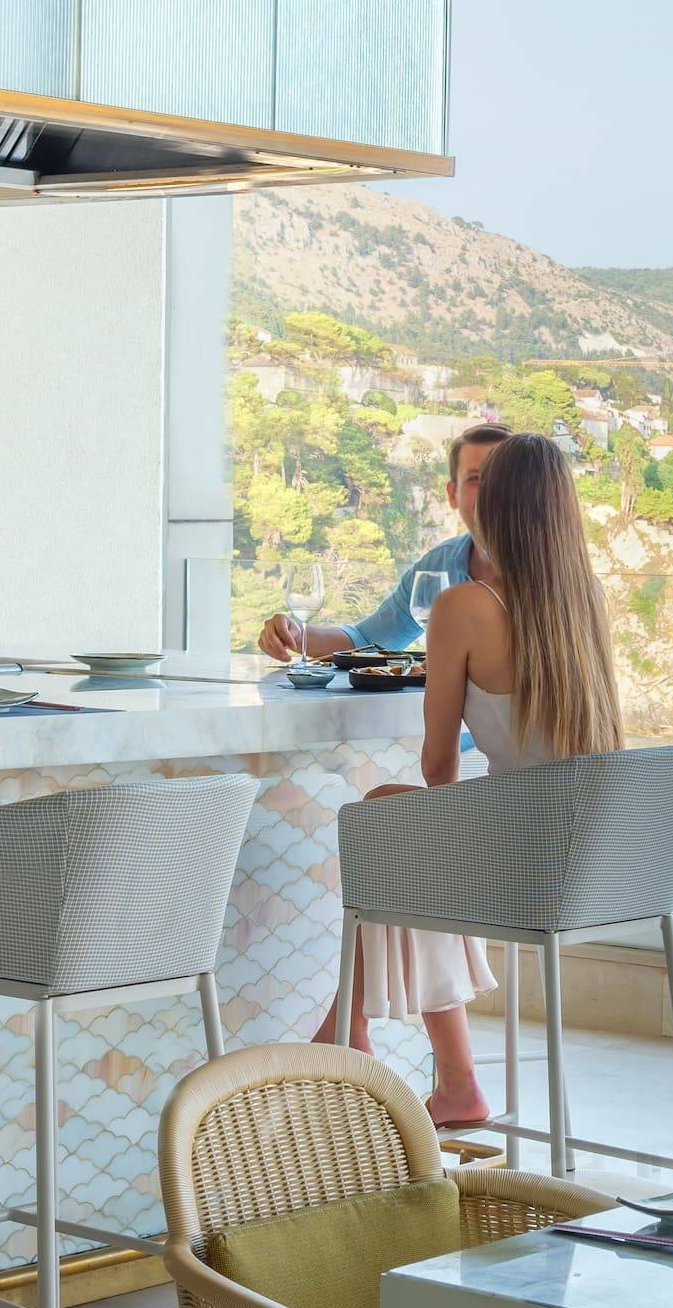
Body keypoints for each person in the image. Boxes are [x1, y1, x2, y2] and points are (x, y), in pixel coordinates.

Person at [329, 433, 623, 1126]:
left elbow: (438, 767)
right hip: (601, 863)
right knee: (410, 834)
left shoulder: (466, 606)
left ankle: (358, 1032)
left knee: (385, 818)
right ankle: (383, 1044)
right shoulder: (585, 600)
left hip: (528, 865)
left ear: (495, 507)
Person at [258, 423, 508, 662]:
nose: (489, 491)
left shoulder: (535, 568)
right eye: (475, 479)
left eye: (501, 479)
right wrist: (297, 635)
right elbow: (367, 642)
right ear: (453, 494)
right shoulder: (438, 566)